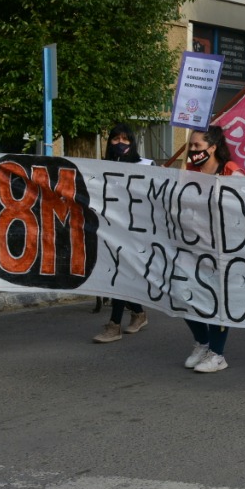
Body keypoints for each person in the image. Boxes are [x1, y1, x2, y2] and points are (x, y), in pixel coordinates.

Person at [182, 126, 242, 373]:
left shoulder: (231, 172)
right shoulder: (189, 171)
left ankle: (217, 354)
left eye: (197, 146)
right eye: (191, 146)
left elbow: (243, 206)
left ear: (213, 147)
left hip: (222, 248)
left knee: (217, 301)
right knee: (182, 295)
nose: (193, 151)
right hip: (192, 244)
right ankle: (202, 342)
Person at [93, 124, 153, 344]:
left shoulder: (147, 165)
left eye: (125, 139)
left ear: (133, 141)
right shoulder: (103, 168)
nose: (120, 143)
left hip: (136, 232)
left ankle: (114, 325)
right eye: (116, 139)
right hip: (111, 229)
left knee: (120, 274)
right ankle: (138, 312)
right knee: (118, 273)